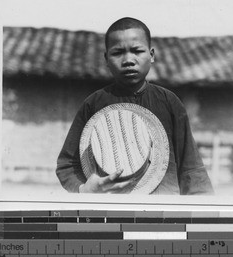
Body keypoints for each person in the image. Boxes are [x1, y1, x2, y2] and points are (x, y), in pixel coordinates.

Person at [56, 17, 213, 195]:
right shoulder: (93, 104)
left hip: (162, 208)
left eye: (137, 51)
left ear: (151, 55)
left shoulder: (169, 102)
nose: (128, 60)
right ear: (107, 59)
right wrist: (84, 189)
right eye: (118, 53)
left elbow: (191, 167)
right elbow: (67, 165)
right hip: (111, 207)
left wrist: (203, 206)